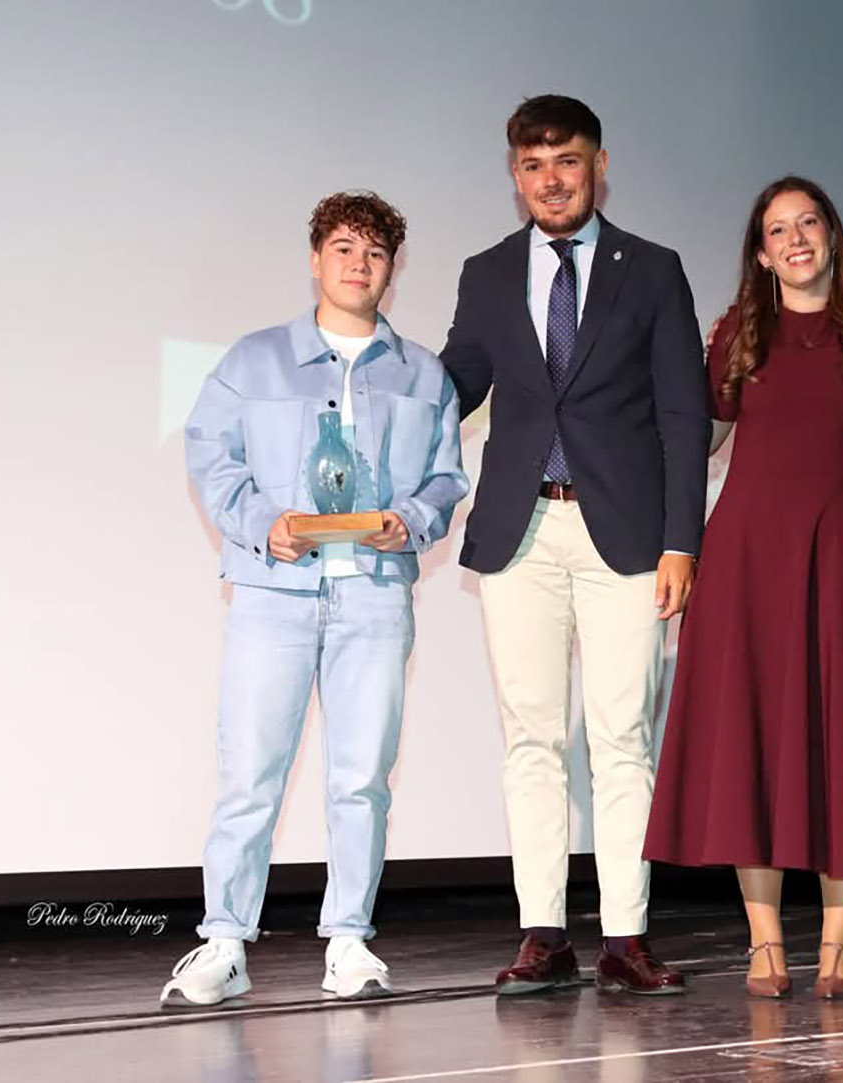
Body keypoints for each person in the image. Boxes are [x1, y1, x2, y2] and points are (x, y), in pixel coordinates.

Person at [162, 191, 469, 1007]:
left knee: (362, 777)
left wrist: (410, 520)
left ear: (392, 269)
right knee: (250, 773)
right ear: (314, 259)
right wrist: (262, 524)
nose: (358, 264)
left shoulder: (424, 374)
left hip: (373, 596)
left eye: (374, 252)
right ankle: (225, 942)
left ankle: (349, 941)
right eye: (343, 248)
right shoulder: (252, 360)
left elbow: (446, 477)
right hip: (273, 594)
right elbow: (211, 454)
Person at [643, 177, 843, 1000]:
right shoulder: (739, 333)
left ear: (833, 237)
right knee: (753, 741)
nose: (796, 238)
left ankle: (840, 943)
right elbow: (694, 434)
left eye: (809, 222)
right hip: (745, 560)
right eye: (778, 229)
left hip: (840, 557)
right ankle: (765, 941)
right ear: (762, 252)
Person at [440, 95, 710, 996]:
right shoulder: (486, 272)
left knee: (622, 737)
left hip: (625, 536)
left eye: (567, 161)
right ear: (514, 175)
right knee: (531, 737)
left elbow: (684, 414)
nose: (551, 180)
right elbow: (453, 387)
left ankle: (626, 936)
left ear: (599, 164)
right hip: (519, 533)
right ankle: (544, 935)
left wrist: (682, 541)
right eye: (533, 165)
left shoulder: (654, 269)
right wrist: (374, 384)